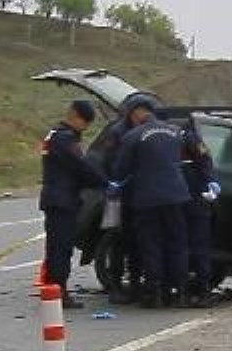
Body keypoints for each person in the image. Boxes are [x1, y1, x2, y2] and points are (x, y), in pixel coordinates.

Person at [111, 92, 191, 308]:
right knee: (178, 244)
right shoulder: (176, 132)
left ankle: (153, 293)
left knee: (151, 245)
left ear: (138, 113)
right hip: (176, 196)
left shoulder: (133, 136)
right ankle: (181, 292)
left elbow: (120, 169)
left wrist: (116, 184)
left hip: (147, 199)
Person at [39, 100, 112, 308]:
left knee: (57, 248)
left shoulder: (56, 135)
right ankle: (58, 293)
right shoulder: (64, 139)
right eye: (85, 123)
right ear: (76, 117)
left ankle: (55, 290)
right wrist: (105, 183)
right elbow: (81, 167)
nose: (85, 128)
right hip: (62, 201)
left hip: (58, 198)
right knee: (60, 249)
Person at [180, 129, 222, 307]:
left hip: (175, 202)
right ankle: (202, 291)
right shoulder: (189, 137)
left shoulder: (168, 140)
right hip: (195, 202)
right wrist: (211, 180)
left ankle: (180, 291)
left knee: (178, 247)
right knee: (200, 247)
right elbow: (205, 161)